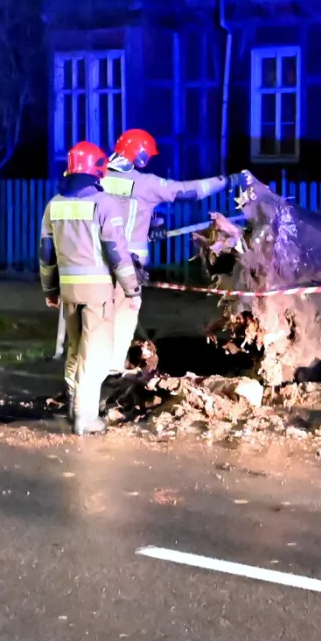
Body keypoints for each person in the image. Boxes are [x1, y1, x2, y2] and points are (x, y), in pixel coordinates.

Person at [100, 128, 249, 374]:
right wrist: (228, 181)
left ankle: (92, 364)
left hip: (96, 261)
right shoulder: (144, 183)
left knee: (99, 314)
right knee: (125, 314)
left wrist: (150, 224)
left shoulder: (99, 179)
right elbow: (188, 191)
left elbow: (117, 211)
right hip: (128, 264)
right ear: (140, 156)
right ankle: (114, 368)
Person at [39, 140, 141, 435]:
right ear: (97, 170)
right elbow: (117, 253)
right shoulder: (104, 203)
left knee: (75, 349)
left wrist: (50, 290)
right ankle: (85, 417)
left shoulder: (54, 205)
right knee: (94, 353)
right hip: (98, 293)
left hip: (69, 291)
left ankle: (73, 406)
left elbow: (46, 254)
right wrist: (132, 289)